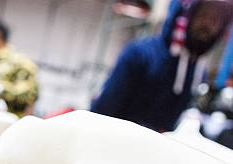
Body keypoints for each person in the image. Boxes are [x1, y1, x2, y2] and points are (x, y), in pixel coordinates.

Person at [91, 0, 233, 132]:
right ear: (185, 16)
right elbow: (102, 112)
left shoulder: (199, 72)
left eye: (216, 20)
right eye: (203, 15)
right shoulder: (140, 54)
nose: (208, 25)